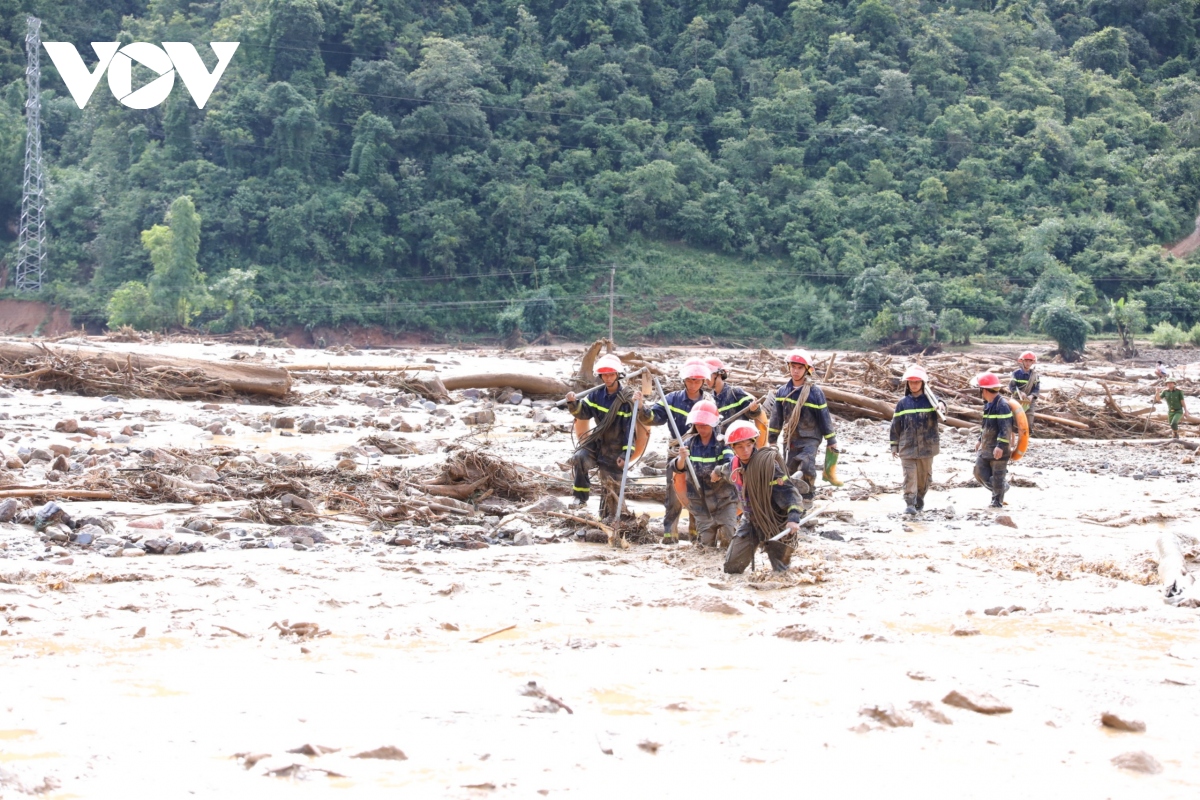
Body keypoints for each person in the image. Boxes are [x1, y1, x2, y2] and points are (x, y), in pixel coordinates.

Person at [716, 421, 803, 574]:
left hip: (775, 523)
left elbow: (790, 492)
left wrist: (794, 518)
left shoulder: (768, 466)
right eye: (740, 447)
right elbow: (725, 471)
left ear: (754, 443)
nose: (745, 451)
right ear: (732, 448)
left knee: (781, 574)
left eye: (748, 445)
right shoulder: (734, 466)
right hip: (750, 520)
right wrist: (715, 472)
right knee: (731, 568)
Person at [641, 359, 711, 542]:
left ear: (703, 381)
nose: (693, 384)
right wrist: (641, 407)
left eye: (697, 381)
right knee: (673, 496)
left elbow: (715, 429)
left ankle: (697, 538)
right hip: (676, 453)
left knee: (698, 495)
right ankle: (669, 537)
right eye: (690, 380)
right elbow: (653, 418)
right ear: (684, 380)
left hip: (701, 454)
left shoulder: (709, 402)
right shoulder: (671, 399)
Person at [565, 354, 642, 518]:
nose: (607, 378)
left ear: (618, 375)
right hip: (598, 442)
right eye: (604, 375)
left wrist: (625, 453)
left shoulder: (627, 400)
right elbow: (584, 413)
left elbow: (630, 430)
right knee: (579, 457)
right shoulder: (596, 395)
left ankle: (610, 518)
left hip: (615, 448)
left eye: (611, 374)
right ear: (600, 376)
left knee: (610, 492)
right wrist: (573, 403)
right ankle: (580, 497)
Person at [767, 349, 838, 509]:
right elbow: (776, 418)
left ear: (806, 370)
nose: (796, 371)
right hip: (791, 438)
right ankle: (792, 502)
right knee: (789, 469)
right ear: (789, 368)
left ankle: (808, 495)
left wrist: (831, 440)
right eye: (793, 367)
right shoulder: (782, 392)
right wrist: (772, 440)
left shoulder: (815, 393)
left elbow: (824, 417)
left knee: (806, 465)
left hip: (810, 437)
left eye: (799, 368)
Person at [675, 399, 738, 548]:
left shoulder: (723, 444)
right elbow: (678, 468)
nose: (701, 428)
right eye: (698, 425)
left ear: (713, 423)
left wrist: (718, 472)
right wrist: (682, 458)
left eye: (705, 425)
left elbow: (731, 465)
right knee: (706, 545)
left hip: (724, 500)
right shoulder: (688, 444)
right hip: (701, 502)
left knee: (729, 537)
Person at [889, 364, 944, 515]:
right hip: (907, 447)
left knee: (924, 478)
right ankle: (910, 503)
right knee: (909, 476)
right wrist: (894, 445)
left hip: (927, 447)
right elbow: (895, 425)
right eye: (911, 382)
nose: (914, 385)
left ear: (923, 383)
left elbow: (941, 403)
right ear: (907, 384)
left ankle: (920, 499)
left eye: (917, 382)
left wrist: (941, 405)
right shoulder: (902, 403)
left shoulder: (932, 402)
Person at [973, 372, 1012, 509]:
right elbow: (985, 426)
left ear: (983, 390)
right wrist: (979, 439)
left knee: (998, 476)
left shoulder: (1002, 405)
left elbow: (1006, 428)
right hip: (986, 447)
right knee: (978, 472)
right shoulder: (989, 404)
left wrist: (1000, 446)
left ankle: (997, 502)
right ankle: (1002, 487)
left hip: (999, 449)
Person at [1008, 352, 1040, 432]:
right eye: (1026, 361)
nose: (1028, 363)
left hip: (1029, 400)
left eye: (1030, 361)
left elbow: (1036, 388)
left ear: (1033, 362)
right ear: (1022, 361)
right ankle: (1013, 438)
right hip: (1017, 400)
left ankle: (1027, 436)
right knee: (1014, 420)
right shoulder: (1016, 373)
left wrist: (1032, 396)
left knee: (1029, 419)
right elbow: (1012, 387)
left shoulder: (1035, 375)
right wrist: (1019, 393)